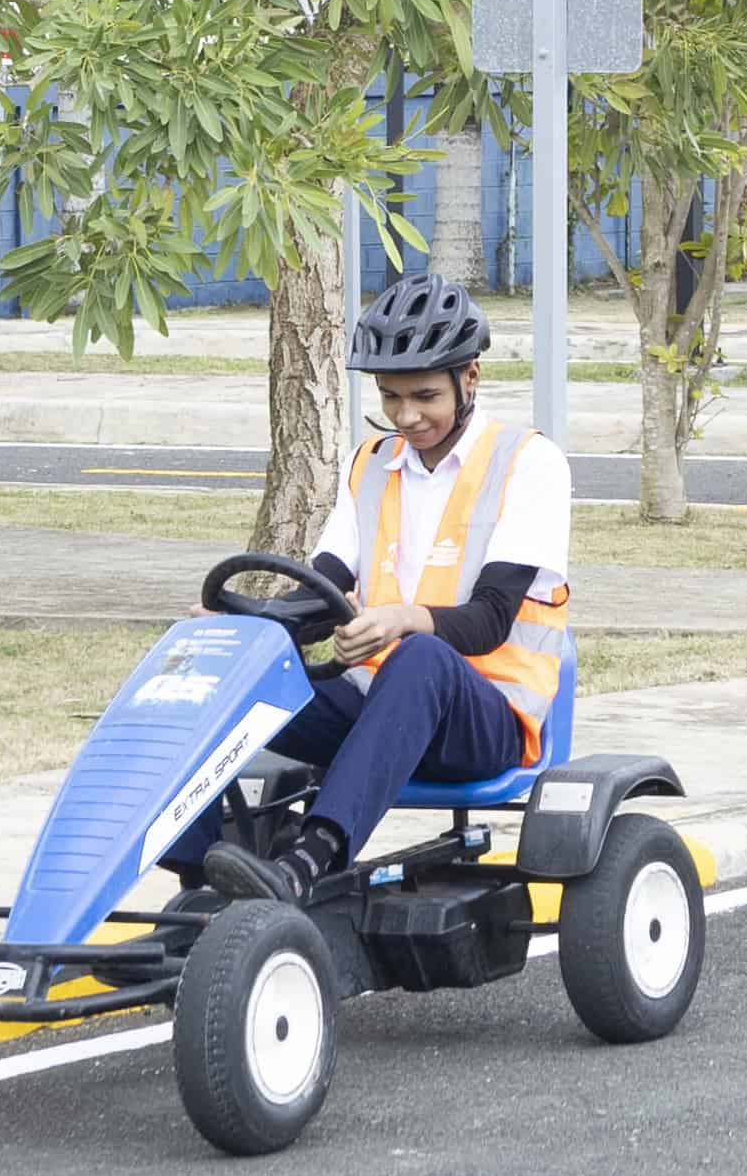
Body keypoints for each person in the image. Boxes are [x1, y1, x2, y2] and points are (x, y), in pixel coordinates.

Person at [178, 271, 574, 908]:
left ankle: (307, 862)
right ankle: (197, 877)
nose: (406, 416)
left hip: (486, 720)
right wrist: (241, 625)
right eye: (391, 396)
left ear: (470, 377)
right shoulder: (370, 464)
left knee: (420, 657)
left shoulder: (528, 463)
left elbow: (492, 619)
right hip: (377, 708)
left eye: (424, 396)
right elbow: (322, 591)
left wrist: (402, 619)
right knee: (214, 663)